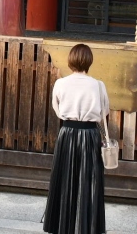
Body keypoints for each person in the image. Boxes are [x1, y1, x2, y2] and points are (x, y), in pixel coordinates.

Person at [43, 44, 109, 234]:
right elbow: (104, 112)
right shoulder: (98, 85)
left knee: (64, 177)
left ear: (70, 60)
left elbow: (57, 109)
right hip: (90, 134)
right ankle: (87, 227)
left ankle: (62, 225)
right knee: (89, 181)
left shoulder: (61, 83)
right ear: (89, 61)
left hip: (67, 133)